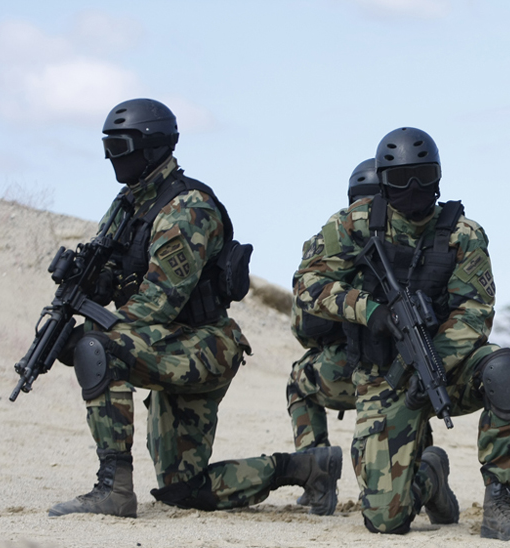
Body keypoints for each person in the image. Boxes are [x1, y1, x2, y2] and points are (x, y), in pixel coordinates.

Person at [49, 98, 341, 518]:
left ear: (151, 146)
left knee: (98, 348)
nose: (112, 157)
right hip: (168, 343)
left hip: (204, 344)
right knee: (183, 490)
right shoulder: (127, 206)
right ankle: (306, 467)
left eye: (119, 146)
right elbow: (115, 271)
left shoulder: (186, 209)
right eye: (107, 146)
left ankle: (113, 489)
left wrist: (88, 333)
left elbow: (157, 303)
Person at [294, 127, 510, 541]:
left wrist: (434, 362)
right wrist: (369, 310)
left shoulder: (463, 235)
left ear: (438, 177)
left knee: (503, 369)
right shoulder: (353, 224)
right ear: (383, 182)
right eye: (401, 179)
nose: (413, 189)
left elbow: (475, 314)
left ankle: (500, 501)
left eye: (423, 177)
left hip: (445, 368)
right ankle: (430, 477)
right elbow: (307, 285)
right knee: (385, 520)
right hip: (381, 375)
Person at [287, 159, 436, 506]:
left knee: (299, 381)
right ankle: (425, 476)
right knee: (419, 387)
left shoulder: (333, 241)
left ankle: (317, 476)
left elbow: (303, 329)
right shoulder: (425, 243)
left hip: (347, 369)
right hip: (412, 370)